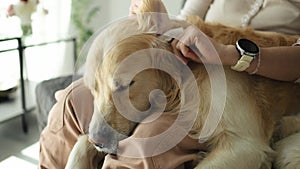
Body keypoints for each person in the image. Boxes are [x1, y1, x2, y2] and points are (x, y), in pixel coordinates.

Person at [39, 0, 300, 168]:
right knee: (72, 100)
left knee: (150, 139)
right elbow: (181, 20)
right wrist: (150, 21)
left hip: (245, 66)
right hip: (193, 50)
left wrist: (228, 54)